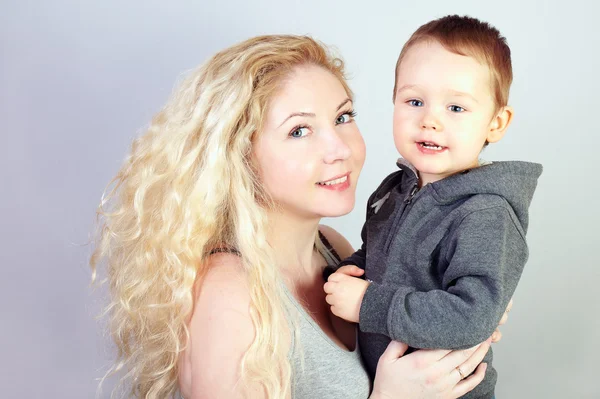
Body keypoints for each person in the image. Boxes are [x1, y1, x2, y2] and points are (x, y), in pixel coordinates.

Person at [91, 34, 510, 399]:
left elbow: (445, 312)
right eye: (299, 131)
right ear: (240, 156)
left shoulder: (336, 251)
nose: (339, 149)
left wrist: (460, 311)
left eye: (343, 117)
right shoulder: (227, 297)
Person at [324, 15, 542, 399]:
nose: (430, 120)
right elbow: (378, 257)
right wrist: (345, 273)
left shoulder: (485, 213)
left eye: (456, 108)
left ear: (496, 123)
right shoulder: (393, 191)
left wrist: (367, 303)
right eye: (414, 101)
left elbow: (472, 317)